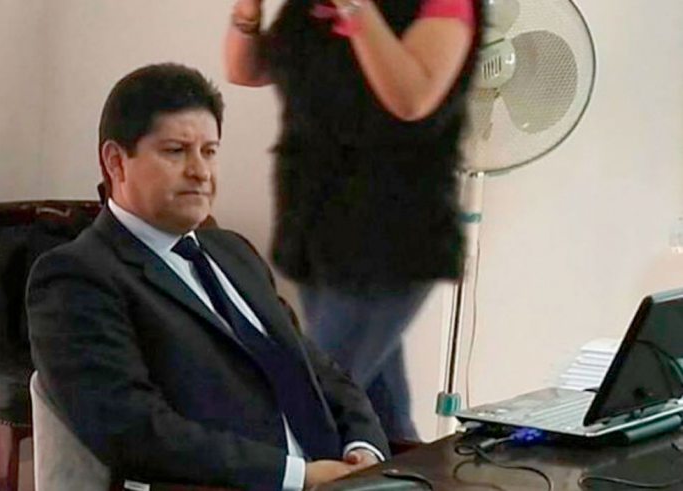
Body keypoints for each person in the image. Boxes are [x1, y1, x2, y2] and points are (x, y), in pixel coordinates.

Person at [26, 63, 389, 491]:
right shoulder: (76, 276)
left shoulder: (233, 253)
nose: (200, 171)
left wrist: (364, 448)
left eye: (210, 151)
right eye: (176, 151)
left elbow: (315, 368)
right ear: (116, 161)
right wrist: (298, 476)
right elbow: (133, 430)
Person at [224, 0, 483, 440]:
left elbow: (411, 98)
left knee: (312, 403)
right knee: (379, 418)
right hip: (314, 231)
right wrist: (249, 9)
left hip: (390, 236)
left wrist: (355, 9)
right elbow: (246, 70)